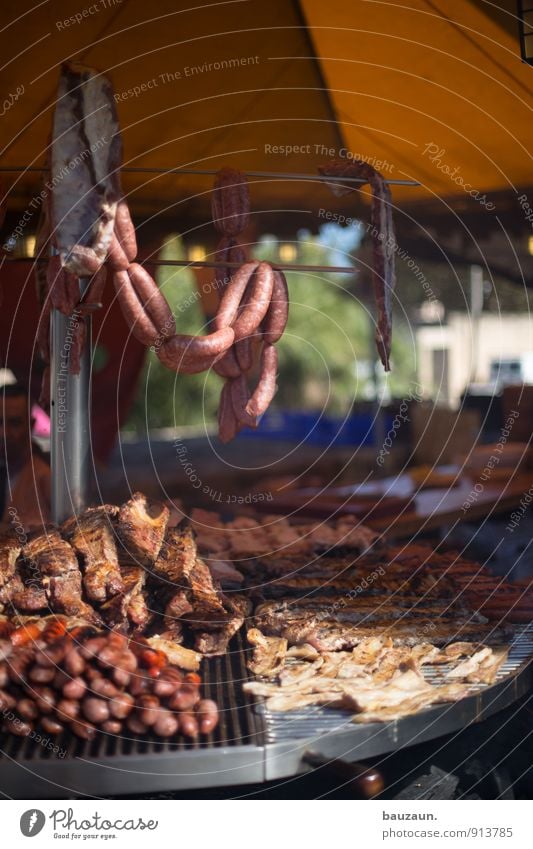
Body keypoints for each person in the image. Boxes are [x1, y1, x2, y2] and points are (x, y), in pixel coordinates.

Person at [0, 383, 51, 528]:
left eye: (14, 423)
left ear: (31, 425)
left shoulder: (45, 477)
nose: (4, 433)